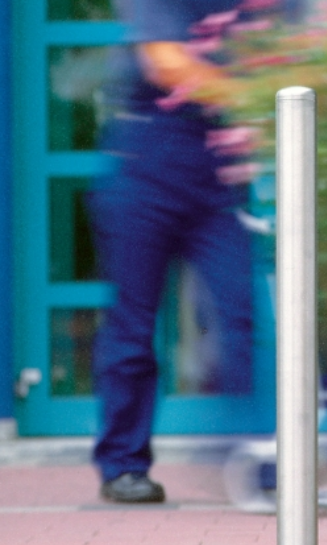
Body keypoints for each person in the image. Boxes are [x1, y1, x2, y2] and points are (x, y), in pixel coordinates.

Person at [90, 0, 266, 502]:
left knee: (242, 316)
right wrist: (258, 94)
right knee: (133, 328)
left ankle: (260, 457)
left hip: (218, 178)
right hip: (144, 168)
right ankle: (123, 466)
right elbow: (166, 62)